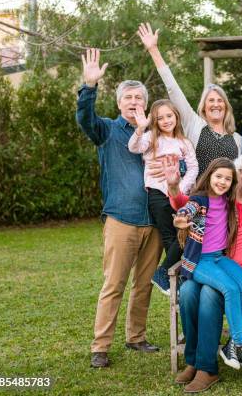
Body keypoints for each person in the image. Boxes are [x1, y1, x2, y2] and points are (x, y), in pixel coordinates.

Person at [76, 48, 162, 369]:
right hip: (121, 219)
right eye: (128, 98)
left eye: (139, 98)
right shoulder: (107, 131)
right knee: (114, 284)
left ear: (146, 103)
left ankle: (136, 337)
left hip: (154, 221)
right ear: (118, 103)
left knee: (143, 284)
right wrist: (89, 87)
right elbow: (84, 118)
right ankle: (100, 346)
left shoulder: (156, 134)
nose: (133, 102)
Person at [171, 154, 242, 392]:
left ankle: (221, 353)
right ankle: (227, 348)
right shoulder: (201, 199)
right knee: (194, 293)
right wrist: (181, 217)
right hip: (198, 261)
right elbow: (187, 207)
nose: (223, 181)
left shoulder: (228, 201)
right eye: (219, 176)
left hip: (218, 258)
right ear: (209, 176)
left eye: (228, 178)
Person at [138, 22, 241, 175]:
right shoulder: (194, 124)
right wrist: (153, 49)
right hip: (197, 196)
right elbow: (173, 89)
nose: (216, 104)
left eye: (220, 101)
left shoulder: (237, 139)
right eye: (211, 101)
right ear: (204, 107)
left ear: (226, 106)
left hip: (226, 197)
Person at [128, 100, 198, 296]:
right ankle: (174, 276)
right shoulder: (151, 138)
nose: (166, 121)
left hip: (180, 194)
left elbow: (193, 167)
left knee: (189, 231)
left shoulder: (184, 142)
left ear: (176, 116)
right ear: (155, 122)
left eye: (169, 116)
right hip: (157, 195)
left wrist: (179, 188)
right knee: (169, 235)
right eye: (160, 118)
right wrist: (141, 128)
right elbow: (133, 147)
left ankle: (163, 272)